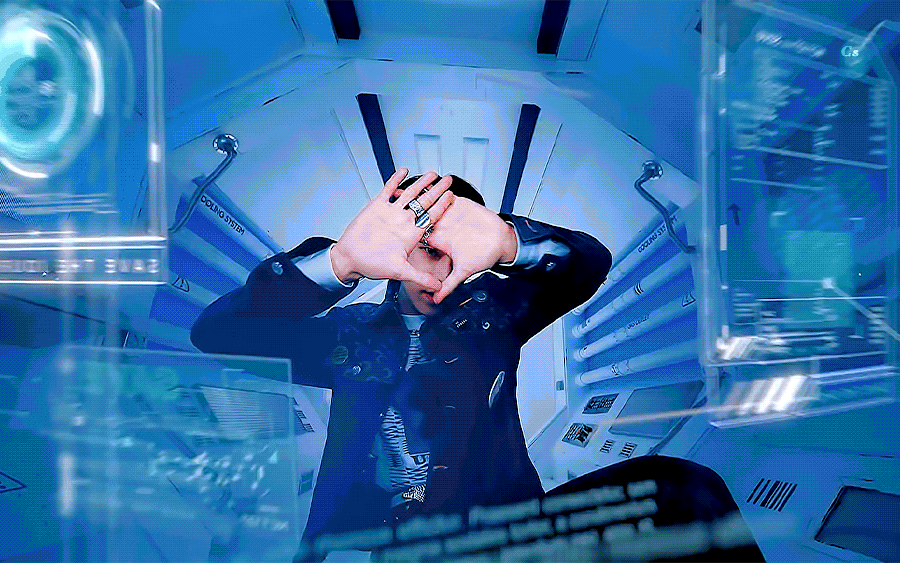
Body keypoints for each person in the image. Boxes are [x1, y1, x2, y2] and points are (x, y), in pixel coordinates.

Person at [190, 169, 613, 557]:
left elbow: (590, 266)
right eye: (428, 249)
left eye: (458, 252)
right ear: (402, 245)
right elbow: (219, 334)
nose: (445, 271)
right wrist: (339, 263)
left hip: (499, 533)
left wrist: (508, 242)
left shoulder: (495, 312)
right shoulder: (350, 332)